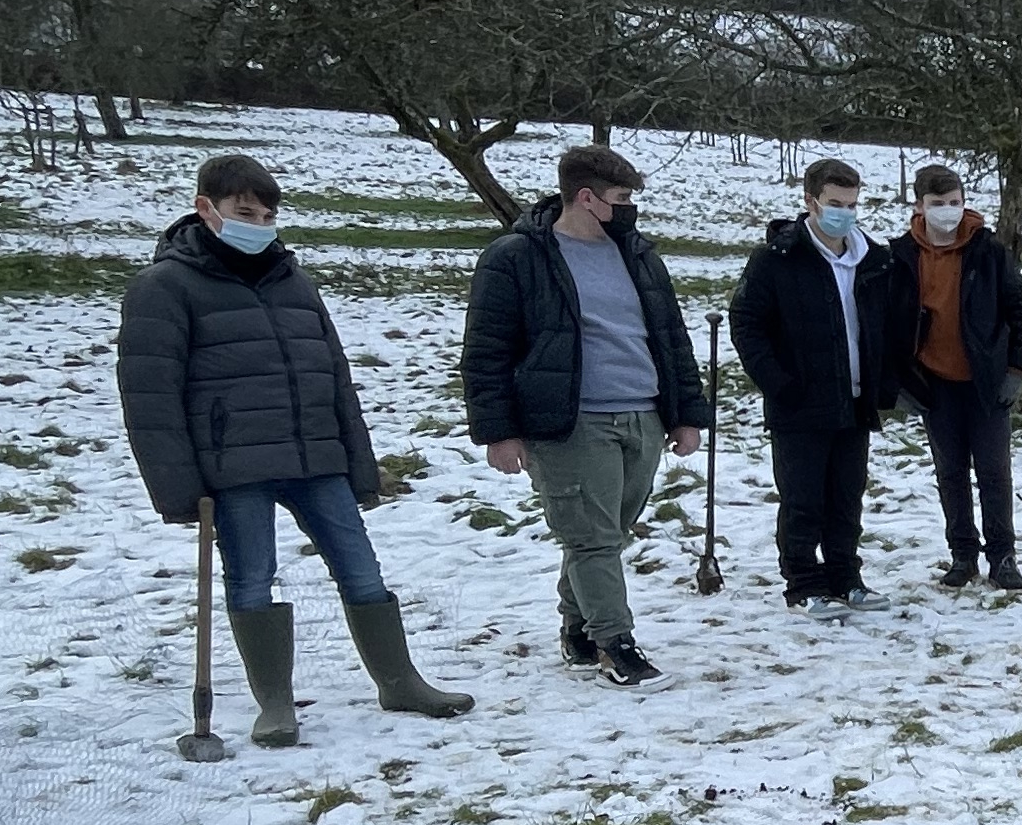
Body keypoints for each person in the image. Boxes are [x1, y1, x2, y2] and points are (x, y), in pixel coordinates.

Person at [121, 148, 471, 738]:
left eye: (266, 216)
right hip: (234, 467)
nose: (258, 226)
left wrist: (360, 465)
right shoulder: (164, 287)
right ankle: (275, 703)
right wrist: (178, 488)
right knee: (252, 578)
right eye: (245, 212)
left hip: (316, 457)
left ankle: (399, 681)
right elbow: (149, 396)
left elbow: (333, 374)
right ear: (205, 209)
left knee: (362, 570)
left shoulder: (293, 280)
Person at [462, 143, 711, 689]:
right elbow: (486, 351)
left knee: (605, 533)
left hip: (642, 415)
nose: (629, 208)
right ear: (585, 196)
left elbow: (670, 336)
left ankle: (576, 631)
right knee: (593, 540)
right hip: (570, 423)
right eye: (621, 198)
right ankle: (614, 645)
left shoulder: (638, 254)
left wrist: (685, 414)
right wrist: (499, 432)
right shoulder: (516, 258)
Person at [729, 156, 901, 608]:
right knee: (803, 499)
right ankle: (804, 583)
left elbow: (890, 324)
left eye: (851, 203)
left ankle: (846, 576)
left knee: (847, 497)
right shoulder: (777, 259)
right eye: (834, 203)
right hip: (799, 402)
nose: (844, 212)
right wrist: (777, 382)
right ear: (811, 202)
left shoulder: (874, 260)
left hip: (856, 399)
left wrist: (887, 381)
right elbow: (747, 323)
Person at [891, 161, 1022, 591]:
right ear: (919, 206)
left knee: (994, 471)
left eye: (954, 203)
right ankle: (962, 556)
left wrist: (1017, 367)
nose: (948, 211)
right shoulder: (902, 256)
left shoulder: (988, 251)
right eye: (938, 204)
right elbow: (889, 322)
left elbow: (1020, 310)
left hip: (986, 381)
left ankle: (1004, 557)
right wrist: (897, 381)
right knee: (950, 472)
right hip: (933, 384)